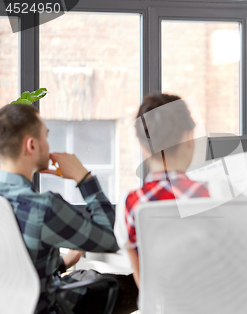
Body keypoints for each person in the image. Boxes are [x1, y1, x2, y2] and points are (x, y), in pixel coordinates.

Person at [0, 103, 137, 313]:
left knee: (85, 275)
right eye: (45, 136)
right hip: (51, 307)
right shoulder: (42, 207)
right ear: (32, 146)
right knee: (137, 284)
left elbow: (13, 272)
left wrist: (63, 263)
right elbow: (112, 238)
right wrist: (83, 177)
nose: (48, 144)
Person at [124, 93, 210, 288]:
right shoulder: (215, 194)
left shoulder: (130, 204)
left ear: (143, 146)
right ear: (189, 137)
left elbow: (144, 284)